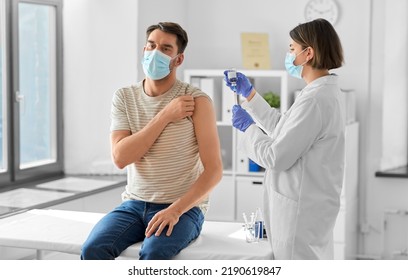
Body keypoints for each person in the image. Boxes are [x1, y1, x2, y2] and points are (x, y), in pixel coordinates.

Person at [81, 22, 223, 260]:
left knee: (154, 253)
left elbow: (214, 170)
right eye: (151, 45)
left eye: (166, 48)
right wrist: (165, 116)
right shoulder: (124, 97)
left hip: (183, 208)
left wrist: (175, 210)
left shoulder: (197, 101)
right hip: (133, 205)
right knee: (93, 249)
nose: (155, 52)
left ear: (178, 59)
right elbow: (121, 157)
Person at [224, 18, 345, 259]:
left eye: (292, 48)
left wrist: (248, 128)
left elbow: (276, 156)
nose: (289, 54)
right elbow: (284, 129)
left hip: (300, 215)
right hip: (309, 210)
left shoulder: (315, 99)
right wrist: (250, 95)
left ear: (308, 53)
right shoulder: (319, 92)